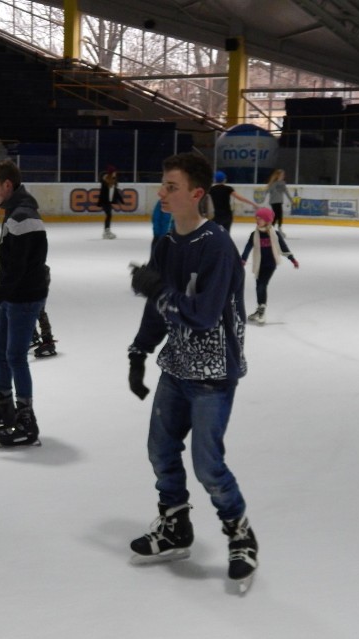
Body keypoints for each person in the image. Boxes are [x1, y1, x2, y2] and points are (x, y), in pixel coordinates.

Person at [128, 152, 258, 590]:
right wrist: (139, 351)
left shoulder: (218, 246)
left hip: (214, 373)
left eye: (171, 187)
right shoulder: (165, 244)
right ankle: (175, 527)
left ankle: (240, 534)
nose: (162, 193)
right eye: (162, 185)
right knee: (160, 452)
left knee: (208, 465)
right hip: (175, 367)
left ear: (197, 194)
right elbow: (157, 308)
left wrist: (160, 290)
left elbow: (202, 315)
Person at [0, 160, 49, 447]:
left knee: (15, 356)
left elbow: (19, 269)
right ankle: (6, 409)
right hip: (12, 295)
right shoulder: (14, 212)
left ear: (7, 185)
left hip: (24, 297)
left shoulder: (23, 216)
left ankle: (27, 421)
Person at [240, 208, 299, 325]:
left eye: (260, 218)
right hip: (259, 264)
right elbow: (248, 247)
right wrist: (243, 259)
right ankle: (259, 309)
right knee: (258, 286)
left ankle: (262, 310)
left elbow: (283, 247)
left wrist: (292, 259)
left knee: (262, 285)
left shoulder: (274, 234)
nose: (257, 220)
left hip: (270, 264)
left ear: (267, 220)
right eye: (256, 218)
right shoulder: (254, 234)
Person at [98, 165, 123, 239]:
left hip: (109, 202)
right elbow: (101, 177)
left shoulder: (113, 181)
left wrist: (121, 201)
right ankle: (106, 232)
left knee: (109, 215)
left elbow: (116, 192)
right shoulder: (105, 180)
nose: (115, 173)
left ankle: (107, 231)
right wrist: (107, 175)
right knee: (109, 215)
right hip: (104, 201)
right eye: (114, 172)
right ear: (111, 173)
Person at [265, 169, 290, 233]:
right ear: (278, 175)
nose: (283, 176)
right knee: (276, 215)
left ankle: (279, 227)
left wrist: (291, 200)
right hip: (273, 201)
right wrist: (271, 187)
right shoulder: (273, 183)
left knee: (280, 215)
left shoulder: (283, 183)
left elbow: (286, 192)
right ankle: (271, 228)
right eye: (282, 175)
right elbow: (267, 191)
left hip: (280, 201)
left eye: (283, 175)